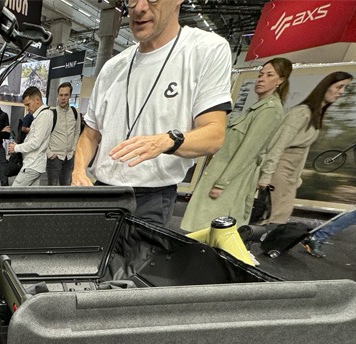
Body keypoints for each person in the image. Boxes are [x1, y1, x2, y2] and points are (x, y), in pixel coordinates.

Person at [72, 0, 232, 226]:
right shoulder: (112, 67)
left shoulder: (205, 50)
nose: (139, 8)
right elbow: (90, 135)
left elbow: (214, 135)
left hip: (151, 198)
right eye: (132, 0)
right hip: (102, 192)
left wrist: (166, 141)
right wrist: (79, 171)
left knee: (139, 261)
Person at [181, 58, 293, 231]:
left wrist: (222, 183)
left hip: (230, 180)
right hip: (222, 174)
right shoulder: (258, 108)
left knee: (212, 230)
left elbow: (248, 152)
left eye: (270, 75)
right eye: (261, 74)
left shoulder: (270, 110)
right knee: (204, 229)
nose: (261, 79)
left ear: (281, 80)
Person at [257, 71, 353, 225]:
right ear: (326, 86)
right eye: (339, 87)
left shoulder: (315, 115)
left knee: (278, 217)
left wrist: (296, 177)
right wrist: (266, 175)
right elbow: (278, 144)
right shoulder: (302, 113)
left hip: (289, 174)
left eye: (344, 88)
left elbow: (303, 152)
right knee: (270, 217)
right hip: (279, 170)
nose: (341, 92)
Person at [8, 86, 53, 187]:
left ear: (37, 99)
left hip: (32, 165)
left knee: (13, 193)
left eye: (28, 104)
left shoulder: (44, 115)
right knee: (30, 198)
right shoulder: (41, 115)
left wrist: (16, 148)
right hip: (33, 164)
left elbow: (35, 143)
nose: (27, 109)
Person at [46, 82, 81, 186]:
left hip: (69, 157)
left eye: (66, 95)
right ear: (57, 96)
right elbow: (44, 136)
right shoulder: (51, 113)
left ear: (70, 95)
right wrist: (50, 153)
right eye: (61, 95)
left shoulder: (75, 112)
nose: (63, 98)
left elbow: (77, 131)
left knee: (66, 187)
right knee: (52, 187)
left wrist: (74, 149)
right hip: (55, 157)